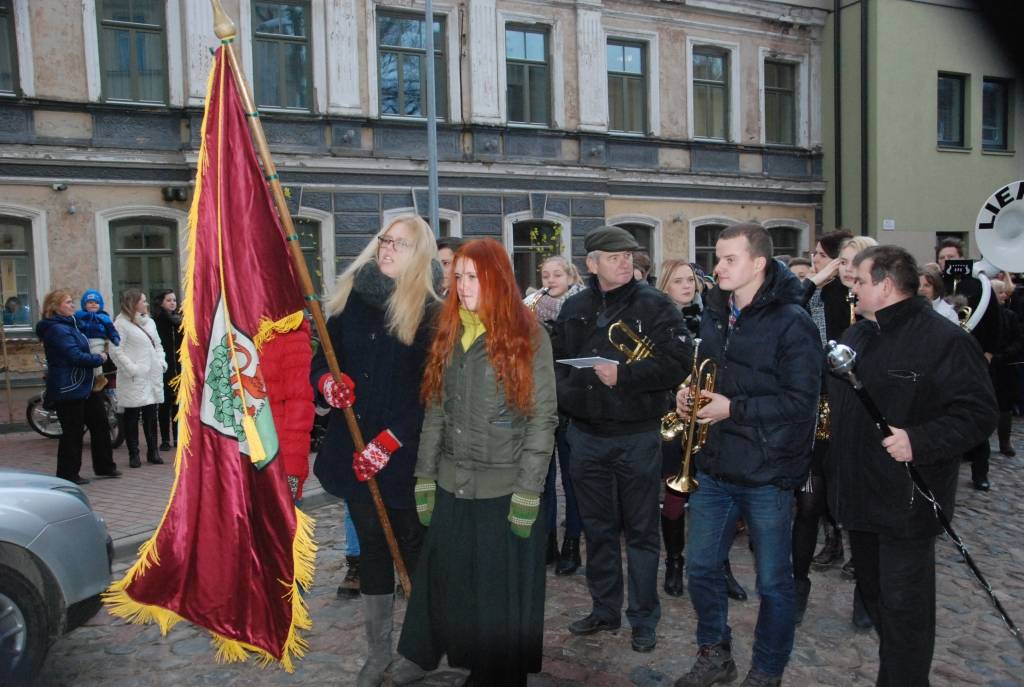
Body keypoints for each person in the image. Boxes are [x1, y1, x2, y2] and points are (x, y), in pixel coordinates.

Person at [825, 245, 997, 687]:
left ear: (884, 285)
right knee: (879, 600)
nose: (853, 290)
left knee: (906, 613)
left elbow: (978, 414)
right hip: (859, 501)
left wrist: (919, 440)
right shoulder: (858, 335)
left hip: (907, 504)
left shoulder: (945, 340)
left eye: (859, 282)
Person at [394, 238, 557, 687]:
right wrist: (425, 477)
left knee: (497, 594)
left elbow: (543, 419)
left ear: (497, 279)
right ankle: (456, 657)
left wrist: (528, 490)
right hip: (452, 480)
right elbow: (437, 412)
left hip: (502, 487)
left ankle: (496, 675)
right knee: (454, 583)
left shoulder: (529, 334)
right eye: (458, 276)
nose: (463, 287)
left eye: (473, 277)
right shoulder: (450, 328)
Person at [673, 223, 820, 687]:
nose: (717, 267)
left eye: (729, 259)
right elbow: (712, 375)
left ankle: (767, 669)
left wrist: (731, 408)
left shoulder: (792, 320)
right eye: (717, 258)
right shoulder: (717, 310)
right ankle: (715, 654)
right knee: (700, 569)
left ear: (758, 263)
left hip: (768, 472)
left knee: (773, 583)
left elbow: (801, 404)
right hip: (716, 465)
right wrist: (690, 394)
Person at [312, 215, 440, 687]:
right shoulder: (349, 299)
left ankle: (421, 648)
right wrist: (328, 382)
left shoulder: (431, 311)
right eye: (385, 240)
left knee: (414, 547)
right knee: (371, 549)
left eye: (401, 244)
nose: (387, 249)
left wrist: (389, 442)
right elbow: (323, 359)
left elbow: (433, 393)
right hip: (353, 450)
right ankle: (378, 651)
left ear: (419, 254)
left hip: (404, 455)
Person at [553, 226, 690, 654]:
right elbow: (557, 365)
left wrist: (625, 376)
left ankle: (644, 619)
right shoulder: (575, 305)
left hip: (637, 436)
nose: (625, 262)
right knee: (598, 530)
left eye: (629, 255)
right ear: (592, 264)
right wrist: (572, 397)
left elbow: (679, 362)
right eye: (614, 257)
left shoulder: (656, 303)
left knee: (643, 532)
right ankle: (605, 610)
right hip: (586, 437)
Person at [655, 259, 747, 602]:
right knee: (675, 493)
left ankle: (720, 565)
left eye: (690, 280)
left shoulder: (711, 317)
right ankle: (675, 562)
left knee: (717, 496)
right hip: (676, 415)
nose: (687, 286)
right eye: (677, 280)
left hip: (711, 415)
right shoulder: (658, 322)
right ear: (665, 285)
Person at [795, 229, 853, 579]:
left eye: (819, 254)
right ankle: (832, 538)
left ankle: (852, 542)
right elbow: (791, 305)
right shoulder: (816, 295)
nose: (815, 259)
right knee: (818, 470)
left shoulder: (852, 296)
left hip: (846, 395)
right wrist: (814, 281)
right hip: (818, 395)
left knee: (844, 472)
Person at [524, 255, 586, 575]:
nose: (551, 279)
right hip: (540, 406)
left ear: (571, 276)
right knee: (543, 478)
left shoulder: (583, 308)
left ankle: (572, 543)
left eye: (557, 273)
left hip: (572, 407)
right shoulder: (531, 308)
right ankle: (546, 539)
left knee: (573, 478)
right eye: (546, 274)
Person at [936, 237, 1001, 490]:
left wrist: (988, 354)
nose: (947, 261)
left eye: (952, 257)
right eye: (943, 257)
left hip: (973, 359)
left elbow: (994, 322)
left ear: (961, 258)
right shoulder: (937, 284)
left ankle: (980, 472)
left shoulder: (976, 285)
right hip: (944, 361)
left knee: (975, 413)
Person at [36, 289, 119, 484]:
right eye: (67, 303)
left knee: (100, 423)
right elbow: (73, 356)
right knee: (72, 432)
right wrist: (98, 358)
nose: (72, 305)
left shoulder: (72, 325)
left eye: (72, 302)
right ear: (55, 308)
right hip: (68, 386)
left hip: (85, 384)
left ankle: (104, 466)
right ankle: (67, 474)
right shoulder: (57, 329)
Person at [109, 289, 166, 469]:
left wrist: (161, 361)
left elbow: (158, 344)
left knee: (151, 414)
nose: (146, 303)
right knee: (132, 416)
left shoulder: (149, 323)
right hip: (133, 377)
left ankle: (153, 451)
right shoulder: (120, 324)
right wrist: (132, 369)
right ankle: (134, 454)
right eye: (143, 301)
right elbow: (116, 350)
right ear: (133, 303)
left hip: (151, 375)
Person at [989, 279, 1021, 457]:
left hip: (1005, 366)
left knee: (1005, 406)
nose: (1004, 295)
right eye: (999, 291)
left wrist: (1005, 354)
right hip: (989, 365)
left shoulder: (1011, 316)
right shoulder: (988, 316)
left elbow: (1018, 340)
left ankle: (1004, 441)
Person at [151, 289, 181, 451]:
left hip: (180, 367)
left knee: (178, 404)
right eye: (169, 300)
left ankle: (178, 437)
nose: (172, 303)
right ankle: (164, 439)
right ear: (161, 302)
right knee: (164, 404)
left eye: (174, 300)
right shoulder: (156, 321)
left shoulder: (180, 320)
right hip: (163, 367)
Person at [74, 289, 120, 392]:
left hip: (98, 340)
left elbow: (111, 329)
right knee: (86, 359)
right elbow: (74, 328)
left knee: (96, 357)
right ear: (84, 304)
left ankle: (99, 377)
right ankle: (89, 378)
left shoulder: (104, 317)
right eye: (90, 303)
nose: (93, 305)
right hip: (83, 341)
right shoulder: (80, 316)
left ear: (101, 304)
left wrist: (115, 338)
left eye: (96, 303)